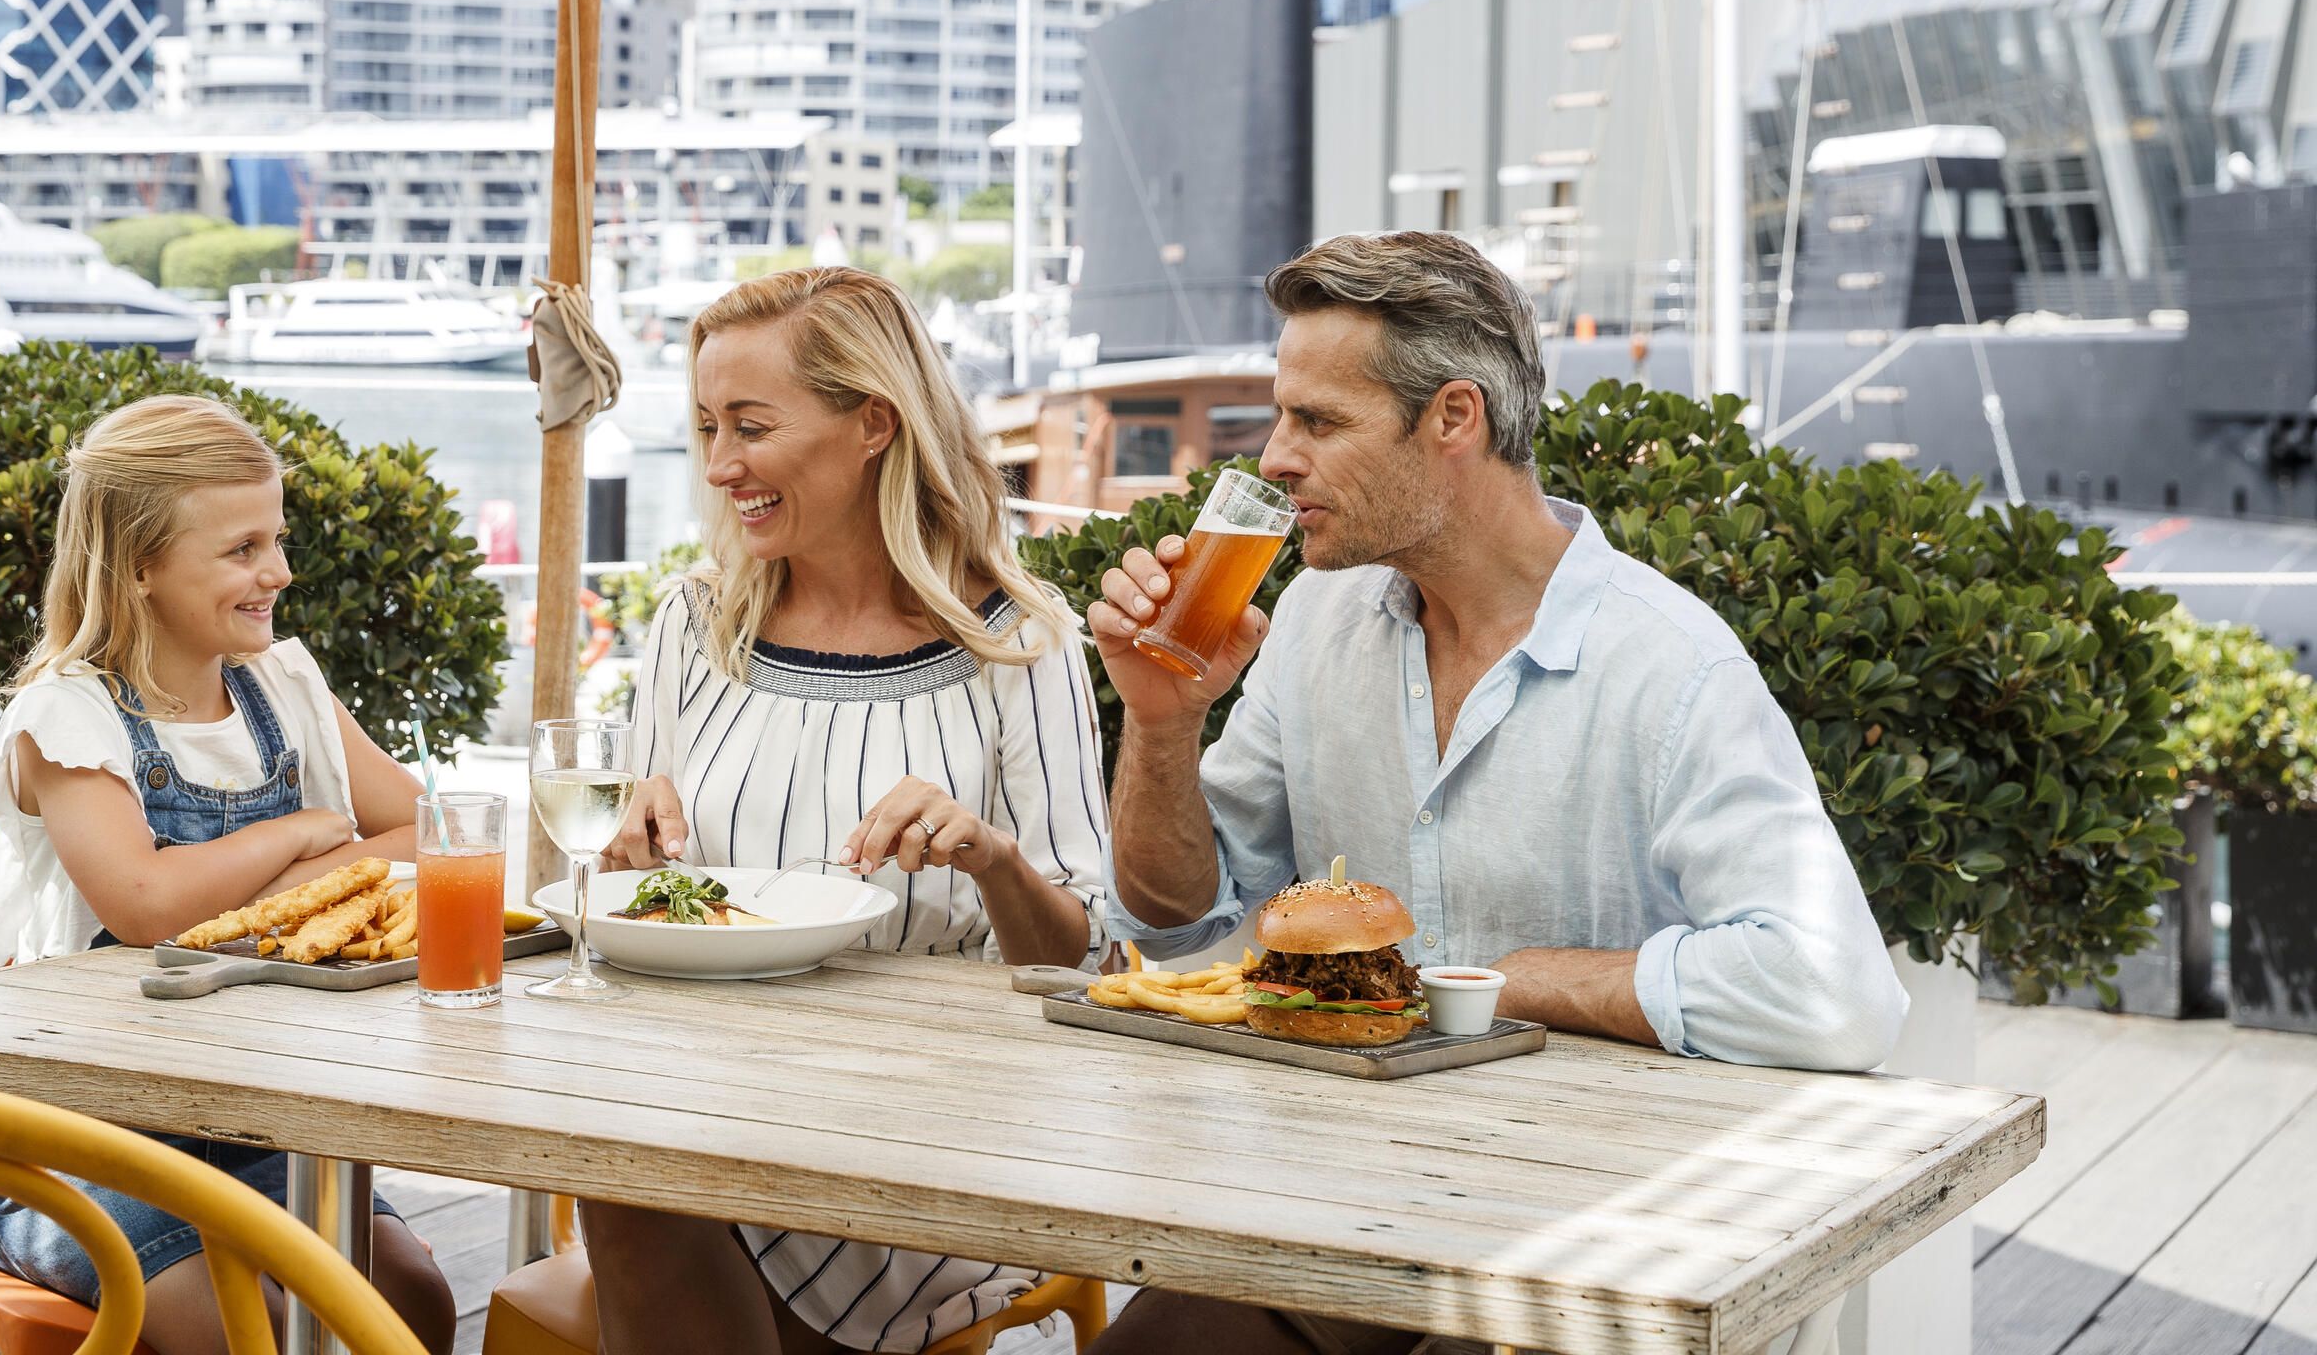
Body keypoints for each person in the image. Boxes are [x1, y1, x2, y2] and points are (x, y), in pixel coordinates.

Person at [1083, 234, 1907, 1355]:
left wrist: (1515, 982)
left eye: (1318, 421)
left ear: (1454, 418)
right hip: (1357, 1207)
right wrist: (1162, 723)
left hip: (1612, 1229)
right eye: (1281, 418)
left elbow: (1835, 990)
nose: (1276, 457)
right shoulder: (1317, 621)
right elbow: (1176, 922)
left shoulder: (1673, 665)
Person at [585, 266, 1108, 1355]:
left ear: (874, 422)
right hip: (711, 1090)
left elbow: (1085, 963)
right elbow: (633, 909)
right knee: (626, 1165)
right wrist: (629, 861)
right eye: (708, 427)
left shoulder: (1021, 640)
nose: (719, 465)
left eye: (752, 426)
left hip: (937, 1117)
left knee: (641, 1179)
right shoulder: (696, 623)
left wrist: (993, 858)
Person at [0, 394, 459, 1355]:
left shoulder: (284, 684)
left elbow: (438, 836)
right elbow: (145, 905)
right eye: (242, 549)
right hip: (74, 1144)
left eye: (277, 540)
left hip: (262, 1124)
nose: (278, 572)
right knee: (252, 1334)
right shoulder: (69, 719)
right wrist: (301, 836)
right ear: (138, 566)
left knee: (415, 1303)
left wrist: (274, 886)